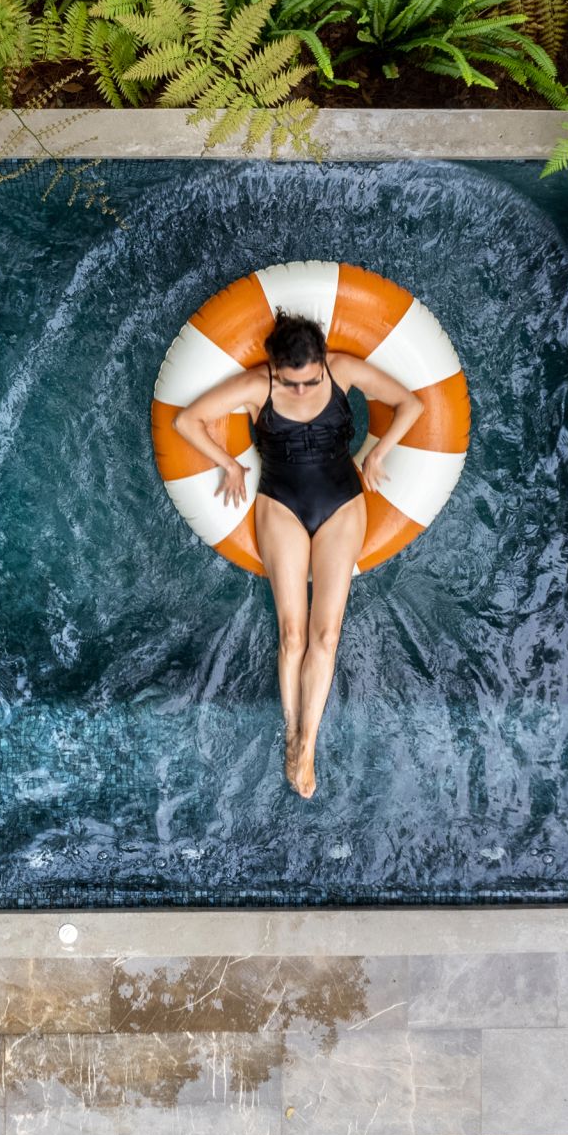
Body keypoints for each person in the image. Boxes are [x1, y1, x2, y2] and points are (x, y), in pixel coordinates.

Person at [173, 311, 426, 798]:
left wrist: (378, 454)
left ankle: (306, 740)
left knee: (325, 633)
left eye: (311, 380)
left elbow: (409, 404)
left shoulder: (342, 369)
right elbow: (187, 420)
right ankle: (294, 734)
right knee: (292, 634)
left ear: (321, 361)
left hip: (342, 503)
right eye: (293, 383)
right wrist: (228, 463)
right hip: (281, 504)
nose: (305, 389)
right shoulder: (255, 385)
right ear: (274, 368)